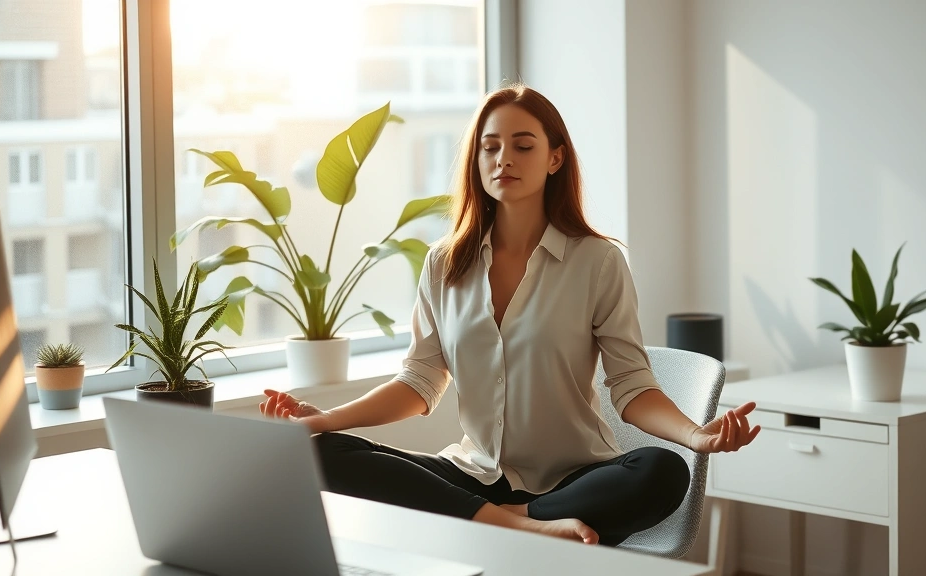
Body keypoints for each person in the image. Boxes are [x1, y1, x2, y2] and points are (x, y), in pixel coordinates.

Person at [260, 83, 760, 546]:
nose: (504, 158)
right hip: (471, 473)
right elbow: (419, 381)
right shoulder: (443, 263)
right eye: (490, 146)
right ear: (476, 159)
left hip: (573, 479)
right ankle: (518, 527)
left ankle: (500, 521)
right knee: (320, 451)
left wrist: (697, 434)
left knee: (663, 471)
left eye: (524, 145)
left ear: (555, 158)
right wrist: (325, 419)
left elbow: (630, 384)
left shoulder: (598, 261)